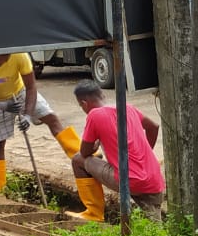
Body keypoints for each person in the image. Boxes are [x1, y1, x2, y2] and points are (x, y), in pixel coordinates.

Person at [0, 52, 81, 193]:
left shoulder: (20, 55)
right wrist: (1, 105)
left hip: (20, 92)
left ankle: (81, 156)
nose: (4, 61)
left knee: (52, 119)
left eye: (7, 57)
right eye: (0, 57)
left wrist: (28, 116)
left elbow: (31, 87)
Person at [71, 79, 165, 222]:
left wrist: (95, 145)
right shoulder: (127, 107)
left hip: (129, 180)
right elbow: (154, 127)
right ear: (102, 95)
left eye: (81, 106)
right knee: (154, 226)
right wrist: (143, 156)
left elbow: (84, 153)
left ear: (84, 103)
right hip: (154, 179)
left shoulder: (94, 115)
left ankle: (94, 214)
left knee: (77, 160)